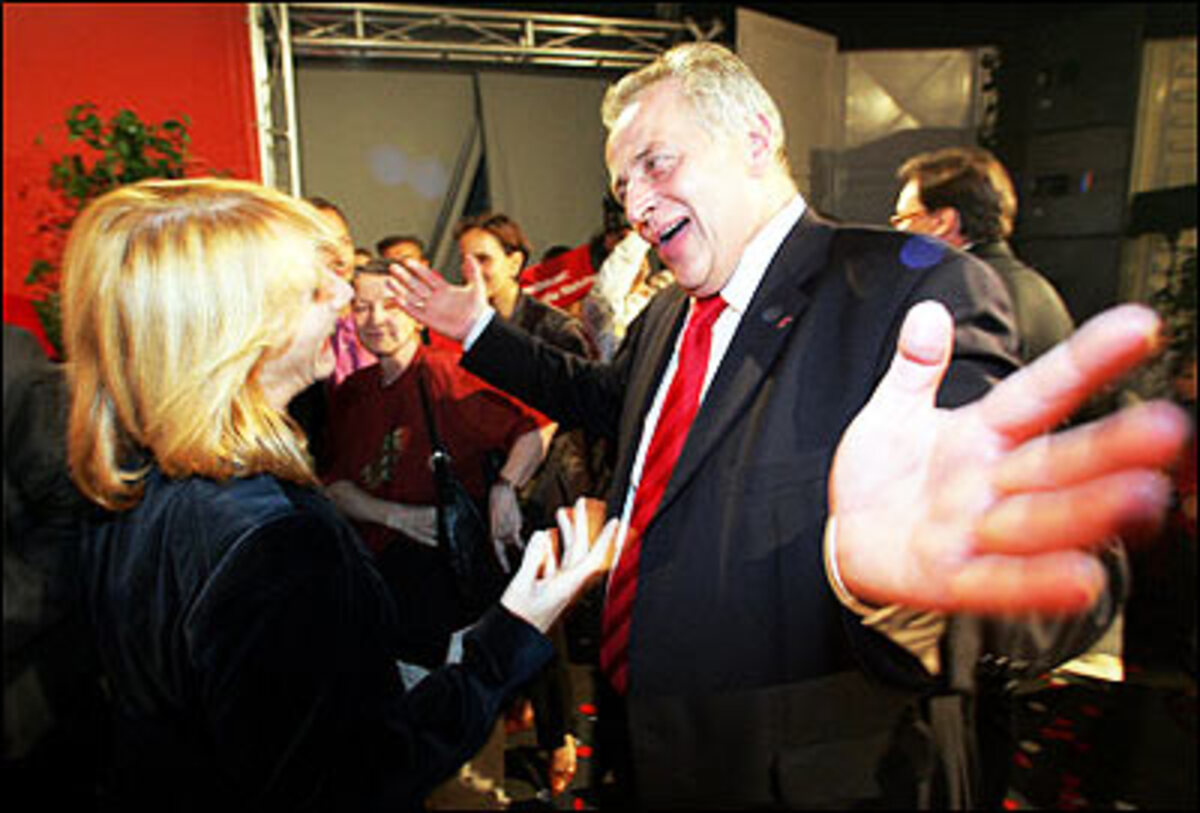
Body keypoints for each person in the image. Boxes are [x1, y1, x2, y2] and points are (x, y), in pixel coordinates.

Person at [389, 42, 1191, 809]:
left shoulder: (908, 292)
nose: (634, 205)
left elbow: (1039, 568)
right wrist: (480, 332)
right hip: (641, 751)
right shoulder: (668, 314)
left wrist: (903, 593)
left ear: (754, 137)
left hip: (806, 779)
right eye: (622, 184)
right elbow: (609, 399)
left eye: (656, 164)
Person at [61, 178, 616, 812]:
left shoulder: (133, 484)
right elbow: (357, 777)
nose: (346, 297)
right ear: (240, 329)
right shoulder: (277, 543)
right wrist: (515, 631)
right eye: (311, 288)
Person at [455, 212, 598, 794]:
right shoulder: (463, 325)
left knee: (545, 611)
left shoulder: (553, 327)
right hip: (489, 481)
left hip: (544, 484)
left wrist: (512, 484)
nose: (473, 270)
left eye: (485, 259)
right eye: (464, 260)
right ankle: (522, 711)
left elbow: (563, 412)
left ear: (516, 262)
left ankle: (560, 737)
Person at [893, 146, 1075, 363]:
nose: (899, 230)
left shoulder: (957, 293)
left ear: (942, 222)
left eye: (903, 218)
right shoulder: (1039, 287)